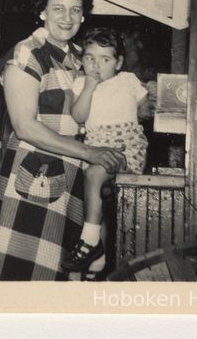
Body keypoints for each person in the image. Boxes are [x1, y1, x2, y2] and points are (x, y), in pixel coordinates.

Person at [0, 0, 125, 281]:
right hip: (33, 182)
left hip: (72, 180)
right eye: (58, 9)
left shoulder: (80, 56)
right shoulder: (27, 54)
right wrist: (90, 151)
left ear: (83, 15)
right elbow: (25, 126)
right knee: (22, 281)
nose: (67, 18)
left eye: (75, 10)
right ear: (42, 11)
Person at [61, 28, 151, 272]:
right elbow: (79, 116)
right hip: (96, 148)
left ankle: (89, 241)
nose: (96, 65)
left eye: (105, 59)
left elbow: (147, 109)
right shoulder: (80, 83)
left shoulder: (128, 80)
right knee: (96, 206)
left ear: (118, 63)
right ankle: (96, 263)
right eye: (90, 58)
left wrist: (147, 103)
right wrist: (89, 87)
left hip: (126, 148)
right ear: (82, 61)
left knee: (93, 176)